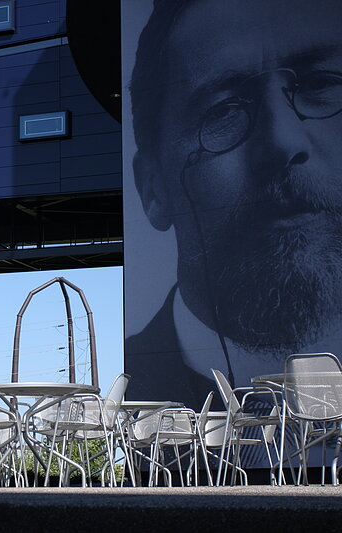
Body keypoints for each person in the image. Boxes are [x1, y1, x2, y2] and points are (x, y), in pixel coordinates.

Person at [125, 0, 342, 409]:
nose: (283, 142)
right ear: (154, 188)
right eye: (224, 110)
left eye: (320, 85)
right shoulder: (132, 397)